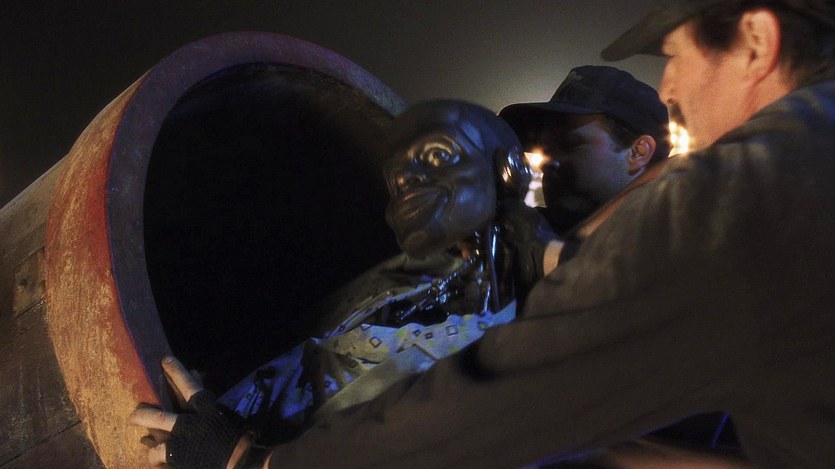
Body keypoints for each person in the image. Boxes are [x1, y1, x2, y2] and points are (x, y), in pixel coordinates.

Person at [134, 0, 835, 466]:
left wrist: (255, 463)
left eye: (676, 55)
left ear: (755, 41)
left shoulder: (747, 196)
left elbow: (504, 399)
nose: (670, 87)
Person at [129, 100, 542, 468]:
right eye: (398, 180)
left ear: (508, 170)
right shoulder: (412, 281)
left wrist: (240, 457)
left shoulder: (530, 344)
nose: (409, 185)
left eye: (437, 156)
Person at [499, 65, 671, 238]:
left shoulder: (671, 243)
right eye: (544, 148)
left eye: (569, 144)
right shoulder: (522, 231)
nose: (546, 162)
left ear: (638, 152)